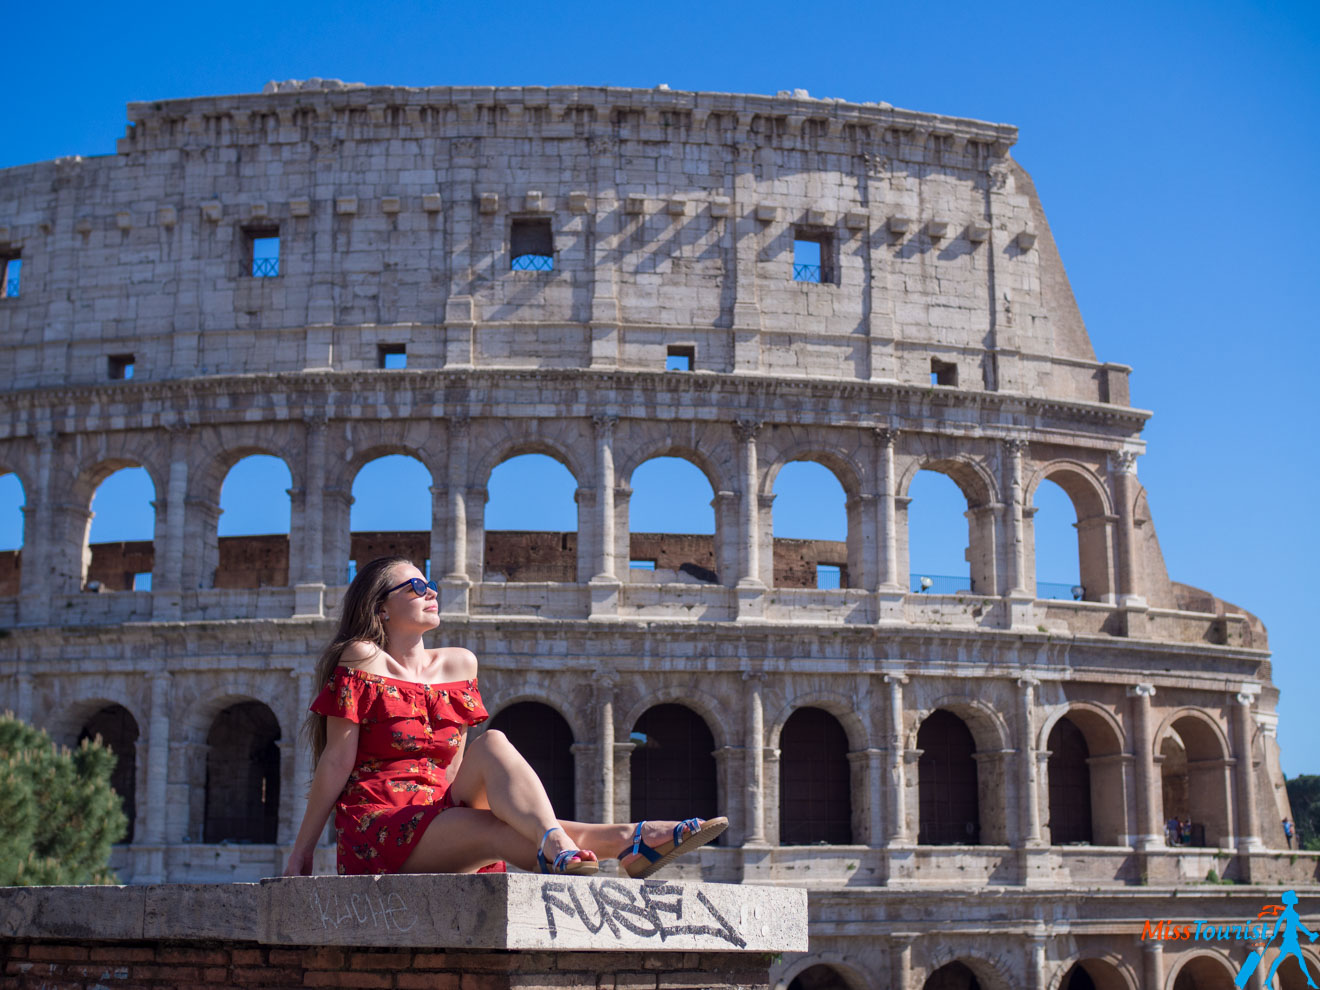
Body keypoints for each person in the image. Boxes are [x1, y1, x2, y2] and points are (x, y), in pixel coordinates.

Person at [284, 555, 727, 877]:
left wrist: (478, 808)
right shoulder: (361, 659)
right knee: (498, 829)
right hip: (382, 824)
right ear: (380, 607)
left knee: (493, 742)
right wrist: (302, 851)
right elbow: (336, 762)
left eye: (431, 582)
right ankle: (623, 840)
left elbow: (456, 768)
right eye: (416, 588)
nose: (432, 592)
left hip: (440, 814)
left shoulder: (460, 664)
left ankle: (610, 840)